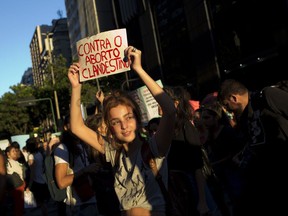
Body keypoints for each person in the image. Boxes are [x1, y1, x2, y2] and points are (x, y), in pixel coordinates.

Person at [68, 46, 176, 216]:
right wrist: (76, 87)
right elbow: (77, 127)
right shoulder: (113, 152)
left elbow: (170, 111)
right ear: (110, 128)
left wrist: (139, 70)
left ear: (138, 120)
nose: (124, 126)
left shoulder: (154, 148)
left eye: (128, 117)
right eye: (116, 122)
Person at [217, 79, 288, 215]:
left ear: (234, 98)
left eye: (226, 105)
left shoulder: (267, 95)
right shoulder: (245, 118)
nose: (227, 111)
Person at [162, 86, 218, 216]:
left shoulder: (185, 126)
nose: (158, 106)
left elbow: (197, 166)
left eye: (161, 102)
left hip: (194, 183)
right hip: (181, 187)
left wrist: (203, 200)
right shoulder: (167, 129)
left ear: (175, 103)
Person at [53, 114, 100, 216]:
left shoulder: (83, 144)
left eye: (81, 123)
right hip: (78, 204)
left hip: (92, 198)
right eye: (75, 123)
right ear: (66, 127)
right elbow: (61, 182)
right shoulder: (62, 148)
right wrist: (85, 170)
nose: (79, 126)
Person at [26, 137, 50, 216]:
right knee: (43, 203)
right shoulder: (40, 154)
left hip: (36, 182)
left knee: (40, 203)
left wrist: (29, 185)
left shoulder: (31, 156)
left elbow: (32, 172)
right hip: (43, 180)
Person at [5, 145, 26, 216]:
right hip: (18, 187)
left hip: (17, 187)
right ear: (8, 154)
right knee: (18, 207)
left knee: (18, 207)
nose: (15, 153)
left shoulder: (11, 161)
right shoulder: (10, 162)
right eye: (13, 151)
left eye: (15, 151)